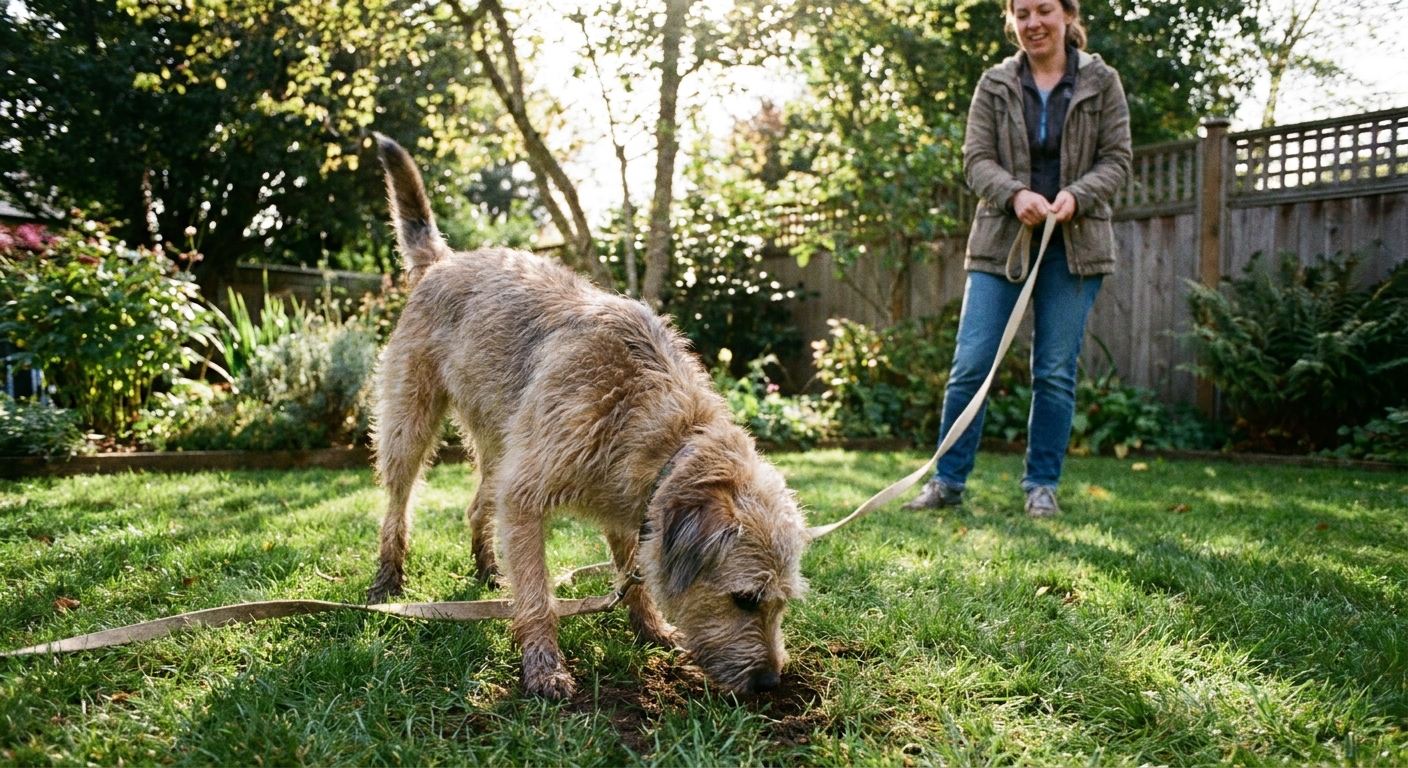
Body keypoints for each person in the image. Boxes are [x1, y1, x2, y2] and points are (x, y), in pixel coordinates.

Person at [903, 0, 1131, 517]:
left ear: (1068, 14)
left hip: (1074, 249)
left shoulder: (1102, 80)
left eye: (1043, 10)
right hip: (1001, 244)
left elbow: (1117, 159)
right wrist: (1014, 194)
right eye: (1021, 13)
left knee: (1053, 371)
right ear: (1011, 20)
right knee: (970, 365)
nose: (1033, 23)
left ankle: (1041, 486)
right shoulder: (995, 82)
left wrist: (1077, 195)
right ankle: (947, 482)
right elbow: (975, 158)